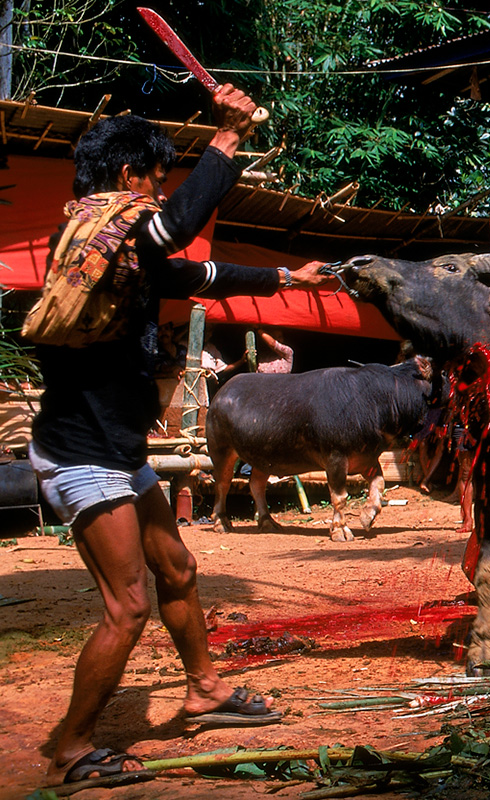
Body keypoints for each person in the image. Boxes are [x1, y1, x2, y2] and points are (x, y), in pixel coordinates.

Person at [24, 85, 333, 791]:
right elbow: (169, 236)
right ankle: (71, 748)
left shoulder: (116, 246)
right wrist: (225, 138)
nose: (160, 193)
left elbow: (199, 273)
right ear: (132, 176)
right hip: (82, 453)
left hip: (118, 448)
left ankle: (204, 689)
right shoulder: (101, 232)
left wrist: (288, 275)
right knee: (129, 604)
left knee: (179, 571)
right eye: (157, 180)